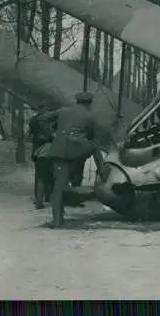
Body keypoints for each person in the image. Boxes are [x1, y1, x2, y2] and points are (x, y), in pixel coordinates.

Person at [39, 92, 99, 227]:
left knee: (58, 186)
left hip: (59, 152)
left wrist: (52, 134)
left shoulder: (63, 111)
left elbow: (42, 119)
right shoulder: (89, 117)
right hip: (75, 154)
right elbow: (93, 137)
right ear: (89, 103)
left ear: (77, 101)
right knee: (66, 186)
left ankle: (57, 219)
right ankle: (58, 220)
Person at [28, 102, 56, 209]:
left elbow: (30, 133)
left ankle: (39, 198)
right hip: (48, 150)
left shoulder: (33, 120)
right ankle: (48, 197)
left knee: (40, 176)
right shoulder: (51, 120)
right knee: (49, 174)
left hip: (38, 151)